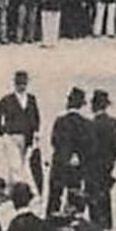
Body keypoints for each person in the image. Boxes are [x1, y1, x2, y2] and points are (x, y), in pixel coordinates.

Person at [0, 70, 42, 194]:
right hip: (11, 137)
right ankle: (21, 192)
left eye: (24, 83)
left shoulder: (31, 99)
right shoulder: (7, 100)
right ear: (15, 84)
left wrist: (35, 132)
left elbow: (36, 117)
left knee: (20, 163)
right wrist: (2, 133)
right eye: (19, 84)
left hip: (26, 137)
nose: (22, 86)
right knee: (15, 164)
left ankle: (11, 188)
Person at [47, 86, 88, 217]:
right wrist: (77, 156)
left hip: (60, 162)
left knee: (55, 195)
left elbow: (54, 141)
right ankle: (72, 221)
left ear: (68, 103)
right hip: (77, 166)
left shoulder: (60, 121)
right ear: (81, 105)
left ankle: (51, 221)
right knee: (74, 195)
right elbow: (90, 146)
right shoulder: (86, 123)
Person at [82, 89, 116, 230]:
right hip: (107, 165)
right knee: (105, 194)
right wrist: (111, 163)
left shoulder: (91, 124)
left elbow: (88, 148)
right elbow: (115, 146)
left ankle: (96, 224)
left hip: (92, 166)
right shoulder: (113, 123)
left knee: (92, 195)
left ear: (94, 106)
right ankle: (107, 223)